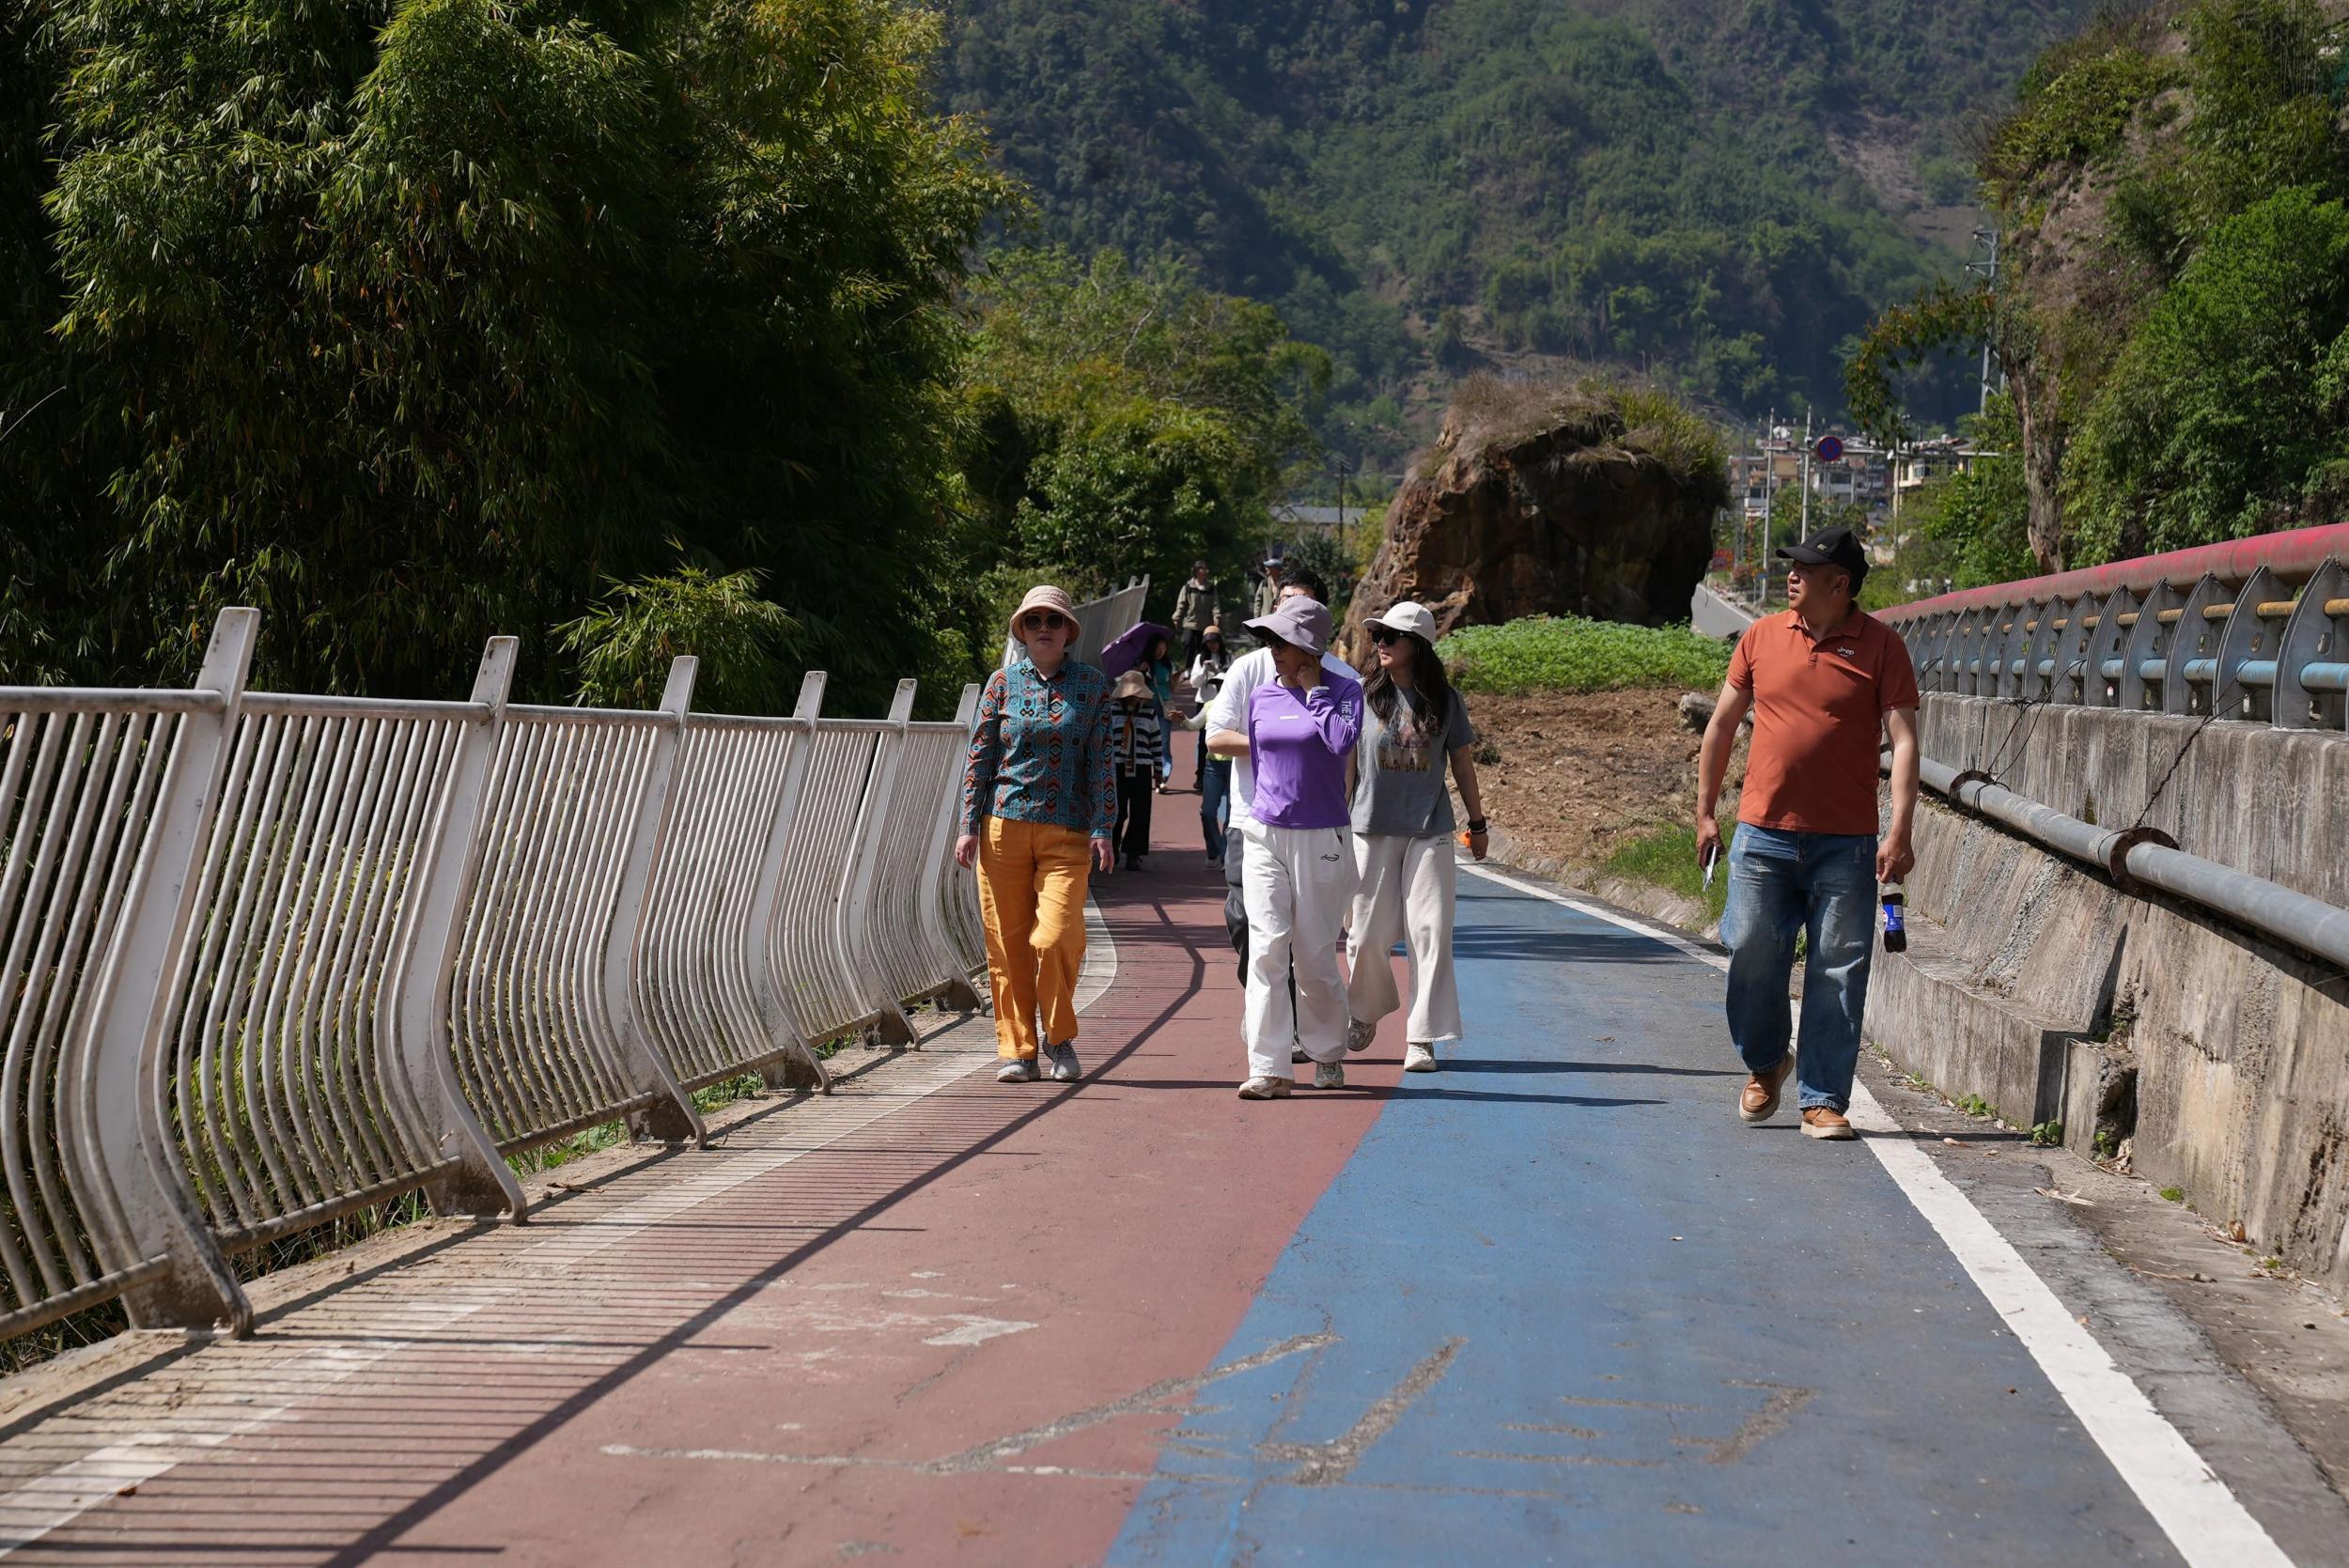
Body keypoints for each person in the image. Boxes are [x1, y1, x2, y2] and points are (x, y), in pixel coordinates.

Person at [1695, 525, 1921, 1141]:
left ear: (1839, 584)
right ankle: (1767, 1060)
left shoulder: (1882, 647)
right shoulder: (1761, 636)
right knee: (1749, 948)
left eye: (1806, 569)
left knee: (1839, 969)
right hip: (1762, 834)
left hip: (1846, 843)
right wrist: (1706, 810)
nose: (1792, 575)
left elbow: (1904, 742)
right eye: (1792, 566)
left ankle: (1822, 1098)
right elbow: (1721, 726)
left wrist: (1900, 830)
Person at [957, 586, 1116, 1086]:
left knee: (1058, 936)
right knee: (1007, 945)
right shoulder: (1002, 683)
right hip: (1002, 827)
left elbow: (1102, 760)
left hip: (1067, 832)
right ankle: (1019, 1050)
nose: (1044, 628)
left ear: (1069, 631)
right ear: (1022, 631)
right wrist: (967, 825)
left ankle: (1059, 1036)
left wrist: (1104, 826)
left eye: (1053, 620)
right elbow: (980, 757)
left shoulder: (1091, 685)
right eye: (1034, 621)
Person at [1211, 596, 1362, 1098]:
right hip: (1264, 832)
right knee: (1267, 949)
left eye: (1282, 641)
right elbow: (1261, 761)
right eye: (1270, 640)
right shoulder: (1262, 696)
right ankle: (1268, 1066)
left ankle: (1327, 1051)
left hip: (1322, 836)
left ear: (1310, 647)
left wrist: (1314, 691)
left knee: (1314, 955)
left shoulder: (1345, 690)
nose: (1272, 649)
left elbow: (1341, 743)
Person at [1344, 601, 1489, 1074]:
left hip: (1430, 829)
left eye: (1390, 636)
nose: (1380, 644)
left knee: (1430, 931)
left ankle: (1422, 1036)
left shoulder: (1446, 700)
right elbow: (1348, 766)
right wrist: (1336, 826)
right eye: (1377, 636)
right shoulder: (1360, 695)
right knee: (1366, 934)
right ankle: (1366, 1009)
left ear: (1418, 645)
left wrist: (1478, 823)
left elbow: (1462, 763)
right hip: (1369, 826)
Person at [1107, 669, 1162, 871]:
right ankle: (1113, 845)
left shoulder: (1149, 713)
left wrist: (1158, 769)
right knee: (1117, 810)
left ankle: (1134, 853)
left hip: (1142, 768)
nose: (1133, 698)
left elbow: (1156, 742)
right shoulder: (1111, 712)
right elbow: (1104, 741)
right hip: (1117, 768)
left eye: (1136, 694)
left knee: (1140, 811)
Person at [1184, 647, 1233, 866]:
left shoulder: (1243, 706)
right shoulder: (1210, 706)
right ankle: (1216, 851)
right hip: (1213, 765)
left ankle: (1225, 856)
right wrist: (1182, 719)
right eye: (1217, 686)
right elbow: (1193, 725)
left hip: (1235, 765)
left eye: (1224, 685)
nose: (1220, 689)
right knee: (1208, 812)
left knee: (1233, 817)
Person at [1186, 626, 1232, 790]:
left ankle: (1223, 774)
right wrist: (1204, 669)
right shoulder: (1200, 658)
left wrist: (1217, 669)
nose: (1212, 645)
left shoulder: (1228, 657)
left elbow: (1233, 679)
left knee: (1222, 737)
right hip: (1204, 702)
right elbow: (1194, 683)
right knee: (1202, 741)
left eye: (1215, 641)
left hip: (1224, 702)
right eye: (1208, 642)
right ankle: (1201, 775)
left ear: (1220, 642)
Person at [1173, 561, 1220, 669]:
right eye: (1203, 569)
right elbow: (1181, 604)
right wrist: (1177, 617)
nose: (1206, 571)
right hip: (1190, 623)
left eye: (1206, 568)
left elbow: (1215, 604)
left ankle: (1203, 670)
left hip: (1206, 625)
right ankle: (1188, 669)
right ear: (1197, 571)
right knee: (1188, 643)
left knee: (1204, 649)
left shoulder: (1210, 587)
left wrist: (1216, 616)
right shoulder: (1188, 587)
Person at [1252, 556, 1283, 621]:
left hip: (1279, 619)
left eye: (1269, 567)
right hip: (1265, 619)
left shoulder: (1284, 584)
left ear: (1275, 569)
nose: (1266, 568)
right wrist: (1256, 618)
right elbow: (1258, 601)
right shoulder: (1264, 583)